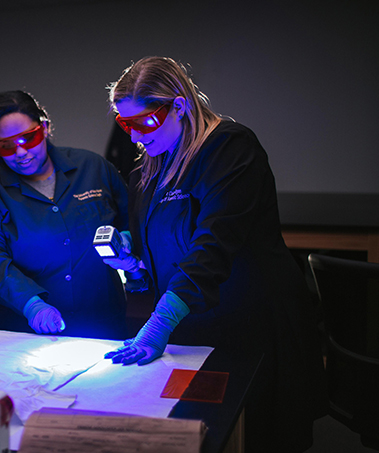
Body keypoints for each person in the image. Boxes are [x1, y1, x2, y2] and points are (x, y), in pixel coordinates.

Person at [102, 57, 326, 452]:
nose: (136, 137)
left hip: (252, 326)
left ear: (180, 105)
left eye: (145, 122)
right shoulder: (153, 165)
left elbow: (213, 245)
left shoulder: (229, 148)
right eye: (126, 125)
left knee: (258, 436)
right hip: (194, 330)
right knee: (204, 436)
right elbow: (157, 250)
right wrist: (131, 263)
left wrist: (158, 325)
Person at [0, 90, 129, 340]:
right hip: (19, 332)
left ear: (45, 128)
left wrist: (128, 246)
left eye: (29, 138)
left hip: (99, 324)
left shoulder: (92, 168)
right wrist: (31, 305)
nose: (20, 152)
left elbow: (131, 221)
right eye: (6, 145)